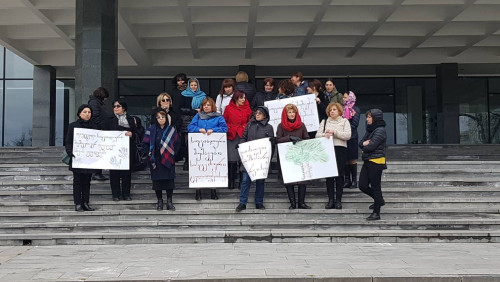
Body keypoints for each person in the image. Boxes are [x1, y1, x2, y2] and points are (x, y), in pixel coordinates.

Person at [188, 97, 228, 201]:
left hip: (214, 149)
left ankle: (213, 191)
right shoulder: (198, 116)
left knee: (213, 168)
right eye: (204, 105)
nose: (206, 107)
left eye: (208, 105)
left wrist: (214, 130)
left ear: (212, 106)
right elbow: (190, 127)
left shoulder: (219, 117)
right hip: (199, 149)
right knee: (198, 167)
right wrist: (198, 129)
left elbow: (224, 128)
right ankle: (198, 191)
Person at [235, 106, 274, 211]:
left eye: (260, 113)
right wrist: (241, 145)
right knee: (245, 180)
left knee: (260, 182)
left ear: (265, 115)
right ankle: (242, 203)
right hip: (249, 158)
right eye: (256, 113)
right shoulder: (249, 125)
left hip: (261, 160)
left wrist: (268, 158)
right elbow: (244, 137)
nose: (257, 115)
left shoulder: (269, 127)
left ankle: (259, 202)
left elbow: (271, 145)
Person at [143, 109, 181, 211]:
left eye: (163, 117)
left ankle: (169, 201)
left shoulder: (171, 130)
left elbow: (177, 144)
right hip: (155, 159)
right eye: (158, 117)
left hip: (168, 159)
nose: (161, 119)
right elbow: (145, 144)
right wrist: (148, 155)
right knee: (157, 182)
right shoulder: (151, 129)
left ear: (166, 118)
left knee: (169, 181)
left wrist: (173, 155)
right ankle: (159, 201)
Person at [315, 103, 351, 209]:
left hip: (340, 149)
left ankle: (338, 200)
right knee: (329, 176)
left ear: (339, 111)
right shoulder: (324, 121)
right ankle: (330, 200)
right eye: (330, 110)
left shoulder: (345, 121)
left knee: (339, 175)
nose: (332, 111)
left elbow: (348, 135)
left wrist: (334, 132)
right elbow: (317, 135)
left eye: (334, 109)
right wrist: (324, 135)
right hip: (328, 149)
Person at [103, 99, 139, 201]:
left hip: (127, 149)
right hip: (113, 150)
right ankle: (115, 194)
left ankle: (126, 194)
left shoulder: (131, 119)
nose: (115, 108)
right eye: (114, 106)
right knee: (114, 174)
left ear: (123, 108)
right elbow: (105, 133)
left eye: (118, 106)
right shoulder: (108, 119)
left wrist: (132, 134)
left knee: (126, 174)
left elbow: (138, 132)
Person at [276, 104, 311, 209]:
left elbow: (307, 138)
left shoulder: (302, 125)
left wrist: (301, 141)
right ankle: (293, 203)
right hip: (287, 157)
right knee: (289, 180)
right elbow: (277, 140)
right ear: (285, 114)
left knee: (302, 180)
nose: (291, 114)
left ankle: (301, 203)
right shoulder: (281, 126)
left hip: (300, 155)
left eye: (293, 112)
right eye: (289, 112)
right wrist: (289, 138)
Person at [65, 104, 99, 212]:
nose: (87, 114)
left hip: (89, 159)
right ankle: (78, 203)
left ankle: (85, 202)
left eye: (89, 112)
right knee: (78, 181)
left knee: (87, 182)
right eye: (85, 112)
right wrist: (70, 152)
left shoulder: (94, 126)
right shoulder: (73, 126)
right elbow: (68, 141)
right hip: (77, 158)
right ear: (79, 113)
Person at [358, 109, 387, 221]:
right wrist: (363, 145)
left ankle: (376, 213)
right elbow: (361, 142)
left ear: (375, 118)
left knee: (376, 187)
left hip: (376, 161)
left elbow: (370, 146)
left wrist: (364, 147)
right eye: (367, 117)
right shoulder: (371, 129)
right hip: (368, 160)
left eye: (369, 117)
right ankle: (379, 200)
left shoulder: (380, 130)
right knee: (362, 185)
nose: (367, 119)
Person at [223, 90, 252, 189]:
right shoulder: (228, 108)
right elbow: (224, 121)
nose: (243, 100)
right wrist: (230, 128)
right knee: (232, 159)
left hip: (243, 136)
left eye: (244, 98)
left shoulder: (248, 109)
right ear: (236, 98)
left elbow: (250, 122)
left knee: (241, 159)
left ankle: (241, 181)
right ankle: (231, 181)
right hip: (231, 135)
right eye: (241, 97)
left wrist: (245, 127)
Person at [180, 77, 207, 170]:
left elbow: (207, 107)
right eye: (191, 85)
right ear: (188, 86)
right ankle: (187, 161)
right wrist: (193, 111)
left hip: (200, 121)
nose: (193, 87)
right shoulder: (183, 95)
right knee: (188, 143)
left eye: (195, 85)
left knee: (198, 142)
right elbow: (181, 109)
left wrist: (201, 110)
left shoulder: (203, 95)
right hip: (187, 121)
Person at [88, 87, 110, 181]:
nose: (106, 100)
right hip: (97, 131)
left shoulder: (95, 103)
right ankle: (96, 172)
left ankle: (97, 172)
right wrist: (102, 127)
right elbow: (96, 116)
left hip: (98, 130)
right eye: (106, 97)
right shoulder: (94, 103)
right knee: (97, 152)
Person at [343, 91, 361, 188]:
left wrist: (344, 126)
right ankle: (347, 180)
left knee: (352, 159)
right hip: (343, 137)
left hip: (352, 136)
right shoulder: (342, 109)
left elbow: (355, 124)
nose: (344, 99)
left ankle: (354, 180)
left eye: (345, 97)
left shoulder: (355, 109)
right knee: (345, 159)